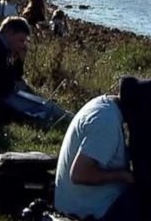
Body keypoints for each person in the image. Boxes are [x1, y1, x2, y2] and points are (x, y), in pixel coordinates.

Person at [54, 76, 143, 221]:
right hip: (90, 210)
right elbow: (79, 174)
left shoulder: (104, 104)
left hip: (75, 202)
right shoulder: (106, 123)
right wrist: (123, 175)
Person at [0, 16, 66, 123]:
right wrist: (17, 61)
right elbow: (10, 80)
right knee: (47, 109)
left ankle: (68, 118)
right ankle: (70, 120)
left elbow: (11, 78)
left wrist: (19, 60)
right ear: (9, 32)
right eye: (20, 40)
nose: (21, 45)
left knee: (46, 105)